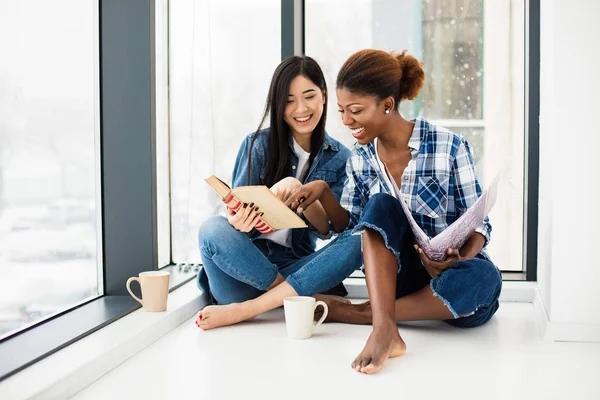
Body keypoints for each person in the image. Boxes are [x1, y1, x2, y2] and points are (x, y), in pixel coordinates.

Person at [284, 49, 502, 375]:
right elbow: (356, 228)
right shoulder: (360, 158)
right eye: (342, 111)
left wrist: (460, 258)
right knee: (381, 204)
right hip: (394, 279)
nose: (346, 121)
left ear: (387, 104)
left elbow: (479, 222)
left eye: (355, 111)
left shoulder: (448, 146)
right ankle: (385, 328)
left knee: (487, 278)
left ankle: (364, 315)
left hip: (450, 280)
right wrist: (325, 192)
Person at [195, 56, 362, 330]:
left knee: (360, 239)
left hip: (296, 265)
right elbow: (236, 217)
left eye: (309, 96)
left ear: (323, 96)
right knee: (212, 228)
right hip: (244, 273)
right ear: (278, 104)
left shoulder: (340, 158)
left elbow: (328, 229)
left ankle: (251, 309)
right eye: (289, 100)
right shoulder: (257, 145)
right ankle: (294, 296)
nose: (301, 109)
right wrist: (238, 221)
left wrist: (304, 193)